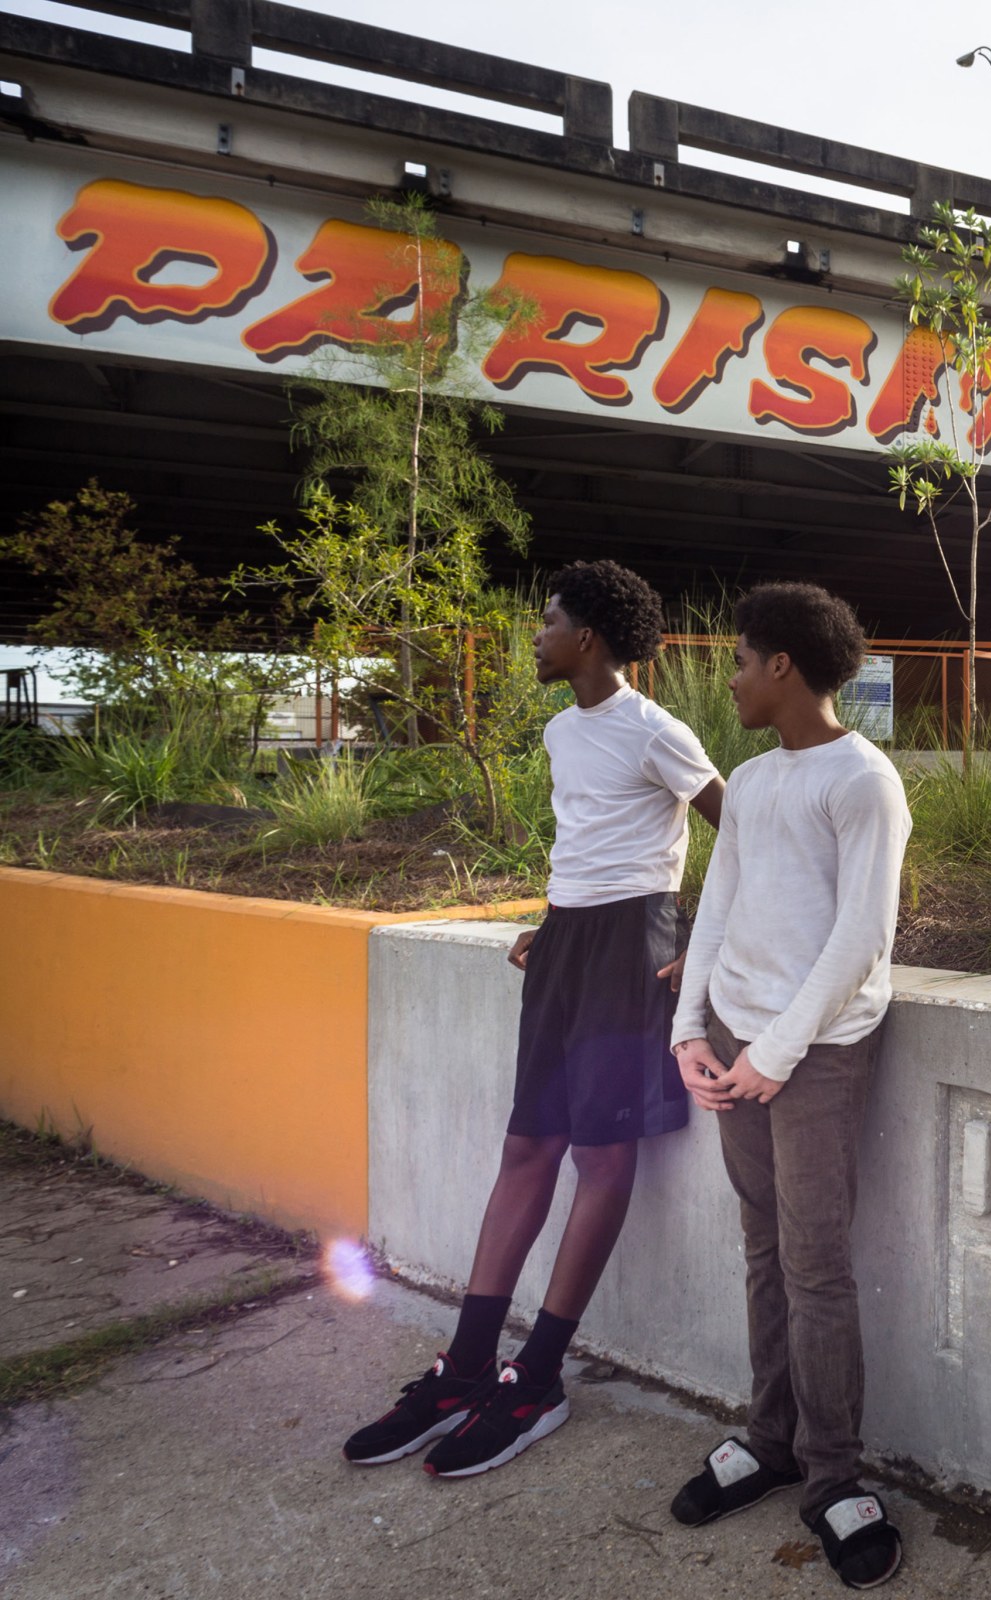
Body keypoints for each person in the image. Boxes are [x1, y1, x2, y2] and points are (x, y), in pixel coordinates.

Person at [344, 561, 723, 1476]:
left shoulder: (656, 731)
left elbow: (739, 825)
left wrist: (701, 940)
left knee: (600, 1158)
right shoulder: (562, 731)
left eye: (547, 621)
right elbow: (583, 840)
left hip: (633, 948)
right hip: (565, 950)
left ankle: (539, 1377)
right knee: (527, 1148)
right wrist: (551, 921)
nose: (536, 635)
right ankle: (466, 1366)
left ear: (587, 637)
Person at [661, 582, 911, 1590]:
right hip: (733, 1040)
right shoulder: (756, 786)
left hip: (815, 1056)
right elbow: (716, 906)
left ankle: (833, 1478)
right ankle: (767, 1438)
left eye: (737, 660)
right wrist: (692, 1031)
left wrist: (779, 1052)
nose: (727, 678)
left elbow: (864, 938)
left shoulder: (864, 780)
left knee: (815, 1266)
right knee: (763, 1248)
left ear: (783, 668)